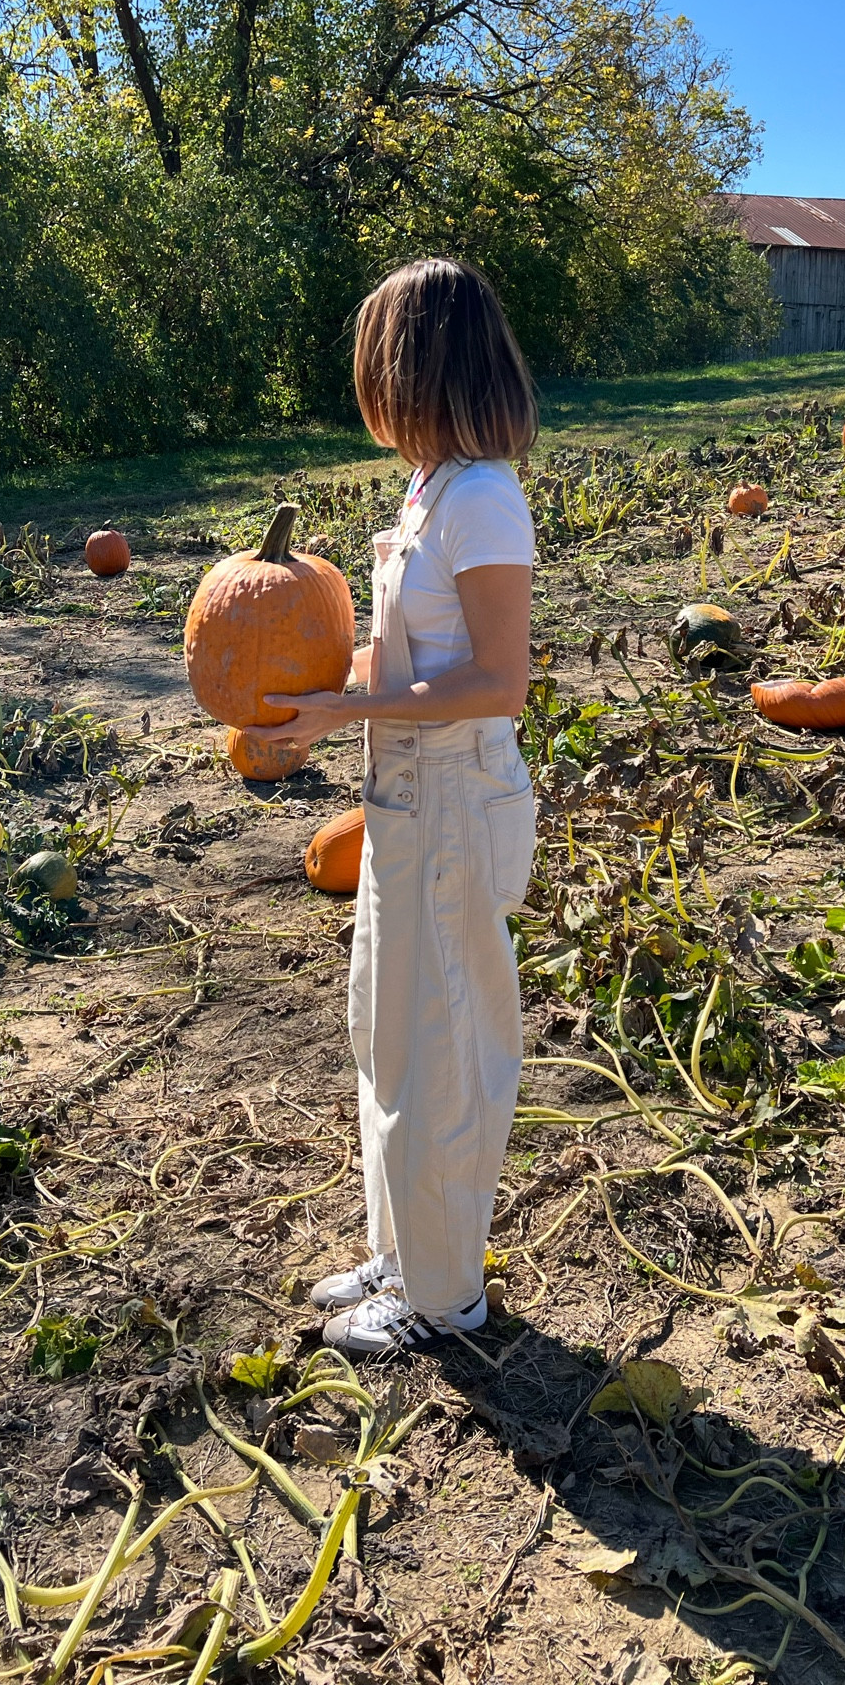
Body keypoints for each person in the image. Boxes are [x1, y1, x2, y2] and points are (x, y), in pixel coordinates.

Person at [253, 257, 538, 1354]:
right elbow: (409, 649)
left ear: (416, 369)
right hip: (403, 798)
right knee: (386, 1024)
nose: (366, 387)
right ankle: (402, 1249)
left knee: (448, 1043)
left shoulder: (484, 499)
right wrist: (314, 682)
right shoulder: (428, 487)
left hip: (458, 802)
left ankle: (446, 1295)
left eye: (377, 363)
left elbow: (500, 678)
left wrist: (340, 711)